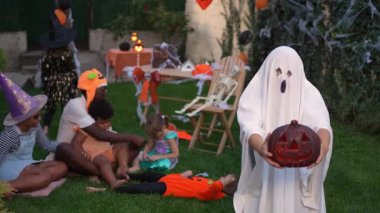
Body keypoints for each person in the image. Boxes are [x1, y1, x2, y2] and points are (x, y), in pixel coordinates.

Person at [233, 46, 333, 213]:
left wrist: (323, 143)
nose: (283, 80)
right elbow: (249, 125)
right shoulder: (255, 91)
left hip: (300, 167)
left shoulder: (309, 93)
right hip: (267, 166)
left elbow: (321, 122)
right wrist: (261, 146)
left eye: (289, 74)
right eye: (277, 71)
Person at [49, 68, 145, 177]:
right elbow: (100, 134)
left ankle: (102, 169)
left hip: (100, 154)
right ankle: (104, 171)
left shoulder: (97, 106)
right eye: (103, 89)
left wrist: (128, 144)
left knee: (134, 147)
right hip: (77, 154)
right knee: (63, 148)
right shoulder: (75, 105)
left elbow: (108, 132)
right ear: (91, 89)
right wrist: (131, 137)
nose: (105, 93)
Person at [0, 73, 68, 198]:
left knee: (62, 167)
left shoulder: (35, 127)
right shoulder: (9, 135)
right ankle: (6, 187)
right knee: (45, 176)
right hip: (9, 167)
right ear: (22, 120)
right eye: (36, 117)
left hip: (27, 163)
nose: (40, 118)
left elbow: (46, 144)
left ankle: (31, 181)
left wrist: (66, 145)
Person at [71, 99, 129, 189]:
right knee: (103, 160)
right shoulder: (87, 128)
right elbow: (76, 142)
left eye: (108, 121)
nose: (106, 125)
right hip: (94, 156)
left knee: (122, 145)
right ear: (91, 121)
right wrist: (82, 153)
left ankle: (122, 166)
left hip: (107, 151)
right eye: (102, 123)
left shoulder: (105, 129)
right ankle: (113, 182)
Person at [39, 10, 78, 135]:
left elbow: (44, 72)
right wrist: (75, 84)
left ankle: (45, 127)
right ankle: (66, 128)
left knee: (50, 106)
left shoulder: (46, 56)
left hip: (51, 83)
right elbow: (72, 69)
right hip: (66, 82)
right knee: (66, 105)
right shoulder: (67, 55)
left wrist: (44, 85)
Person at [116, 170, 238, 201]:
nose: (223, 177)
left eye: (226, 179)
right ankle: (128, 176)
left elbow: (216, 186)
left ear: (224, 187)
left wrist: (223, 183)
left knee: (144, 189)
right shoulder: (212, 183)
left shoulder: (214, 193)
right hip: (173, 179)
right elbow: (197, 181)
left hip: (170, 188)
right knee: (149, 174)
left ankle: (118, 189)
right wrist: (189, 173)